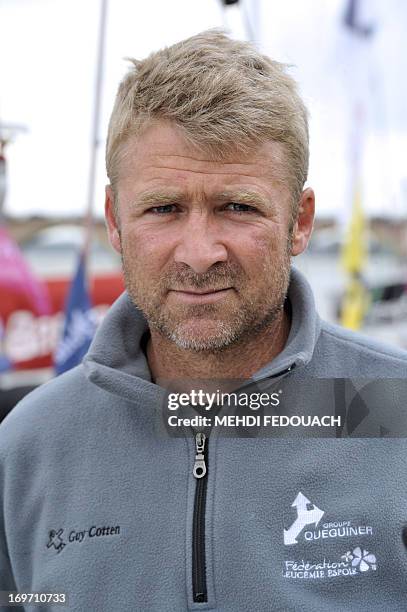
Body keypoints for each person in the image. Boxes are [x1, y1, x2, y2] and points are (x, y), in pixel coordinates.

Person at [1, 30, 407, 612]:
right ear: (115, 221)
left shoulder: (396, 408)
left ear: (300, 221)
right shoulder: (26, 449)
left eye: (237, 207)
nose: (198, 253)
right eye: (164, 208)